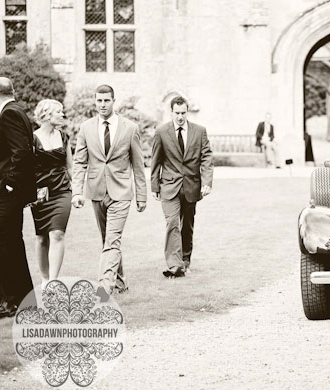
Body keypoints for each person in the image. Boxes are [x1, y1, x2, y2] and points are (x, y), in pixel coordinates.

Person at [72, 84, 147, 294]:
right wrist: (77, 191)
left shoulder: (129, 128)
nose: (102, 104)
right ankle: (121, 281)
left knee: (112, 240)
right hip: (96, 191)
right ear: (95, 102)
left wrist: (141, 196)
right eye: (99, 101)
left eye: (106, 100)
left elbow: (138, 166)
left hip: (121, 192)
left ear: (114, 101)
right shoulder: (86, 128)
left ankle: (104, 287)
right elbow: (79, 162)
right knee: (107, 240)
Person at [151, 96, 213, 277]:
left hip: (191, 187)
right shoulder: (161, 132)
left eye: (183, 113)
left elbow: (207, 157)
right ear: (171, 112)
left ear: (187, 112)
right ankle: (174, 265)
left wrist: (207, 182)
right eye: (177, 113)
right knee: (172, 223)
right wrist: (155, 186)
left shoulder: (199, 131)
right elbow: (156, 161)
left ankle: (185, 260)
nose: (180, 117)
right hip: (169, 186)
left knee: (187, 226)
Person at [0, 77, 36, 318]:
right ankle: (24, 300)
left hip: (8, 192)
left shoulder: (8, 114)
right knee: (12, 242)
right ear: (13, 90)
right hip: (12, 192)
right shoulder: (17, 110)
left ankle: (8, 299)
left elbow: (21, 152)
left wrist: (9, 184)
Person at [31, 99, 72, 289]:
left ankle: (54, 281)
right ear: (47, 115)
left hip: (62, 191)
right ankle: (45, 279)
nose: (62, 115)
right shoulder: (31, 139)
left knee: (57, 233)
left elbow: (70, 166)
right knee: (41, 237)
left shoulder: (64, 137)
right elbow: (26, 169)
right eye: (59, 112)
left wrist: (77, 192)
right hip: (40, 195)